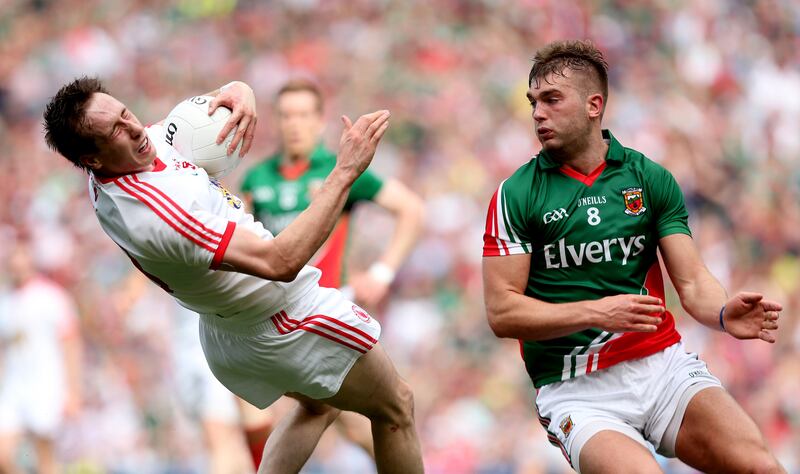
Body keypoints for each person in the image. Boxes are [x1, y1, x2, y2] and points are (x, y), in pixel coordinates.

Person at [43, 77, 423, 474]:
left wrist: (239, 89)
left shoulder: (117, 166)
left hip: (227, 333)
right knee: (396, 407)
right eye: (116, 131)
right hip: (287, 317)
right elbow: (281, 261)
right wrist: (346, 171)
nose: (136, 128)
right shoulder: (157, 215)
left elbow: (171, 127)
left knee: (318, 405)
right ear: (92, 159)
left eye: (125, 113)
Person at [482, 40, 784, 474]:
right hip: (575, 390)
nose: (537, 114)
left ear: (594, 104)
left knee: (761, 467)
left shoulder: (649, 177)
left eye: (551, 100)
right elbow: (501, 312)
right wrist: (597, 311)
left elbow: (693, 281)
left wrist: (721, 312)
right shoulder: (516, 194)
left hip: (660, 366)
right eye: (533, 103)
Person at [238, 78, 424, 466]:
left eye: (304, 115)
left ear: (320, 121)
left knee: (342, 411)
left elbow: (411, 209)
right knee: (348, 411)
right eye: (287, 115)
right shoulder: (258, 180)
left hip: (329, 307)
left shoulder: (339, 168)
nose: (295, 124)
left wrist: (383, 271)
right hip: (277, 310)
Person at [0, 241, 83, 474]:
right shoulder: (5, 301)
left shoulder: (51, 298)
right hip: (13, 387)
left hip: (46, 384)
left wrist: (74, 391)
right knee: (3, 455)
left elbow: (71, 344)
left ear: (30, 261)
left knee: (45, 458)